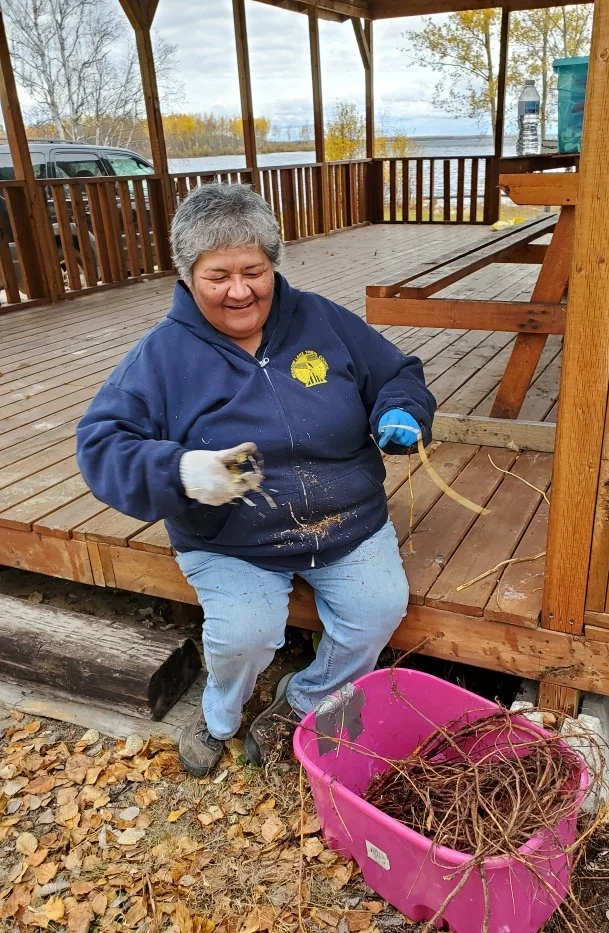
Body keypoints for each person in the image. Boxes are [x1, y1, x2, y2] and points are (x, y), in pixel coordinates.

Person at [76, 183, 435, 777]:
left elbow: (398, 371)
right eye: (218, 276)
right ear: (188, 275)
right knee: (244, 634)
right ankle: (219, 717)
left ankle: (304, 700)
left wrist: (402, 409)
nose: (240, 291)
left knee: (378, 612)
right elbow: (101, 445)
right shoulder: (162, 355)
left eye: (255, 270)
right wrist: (186, 472)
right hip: (231, 540)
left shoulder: (321, 319)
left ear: (274, 265)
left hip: (348, 521)